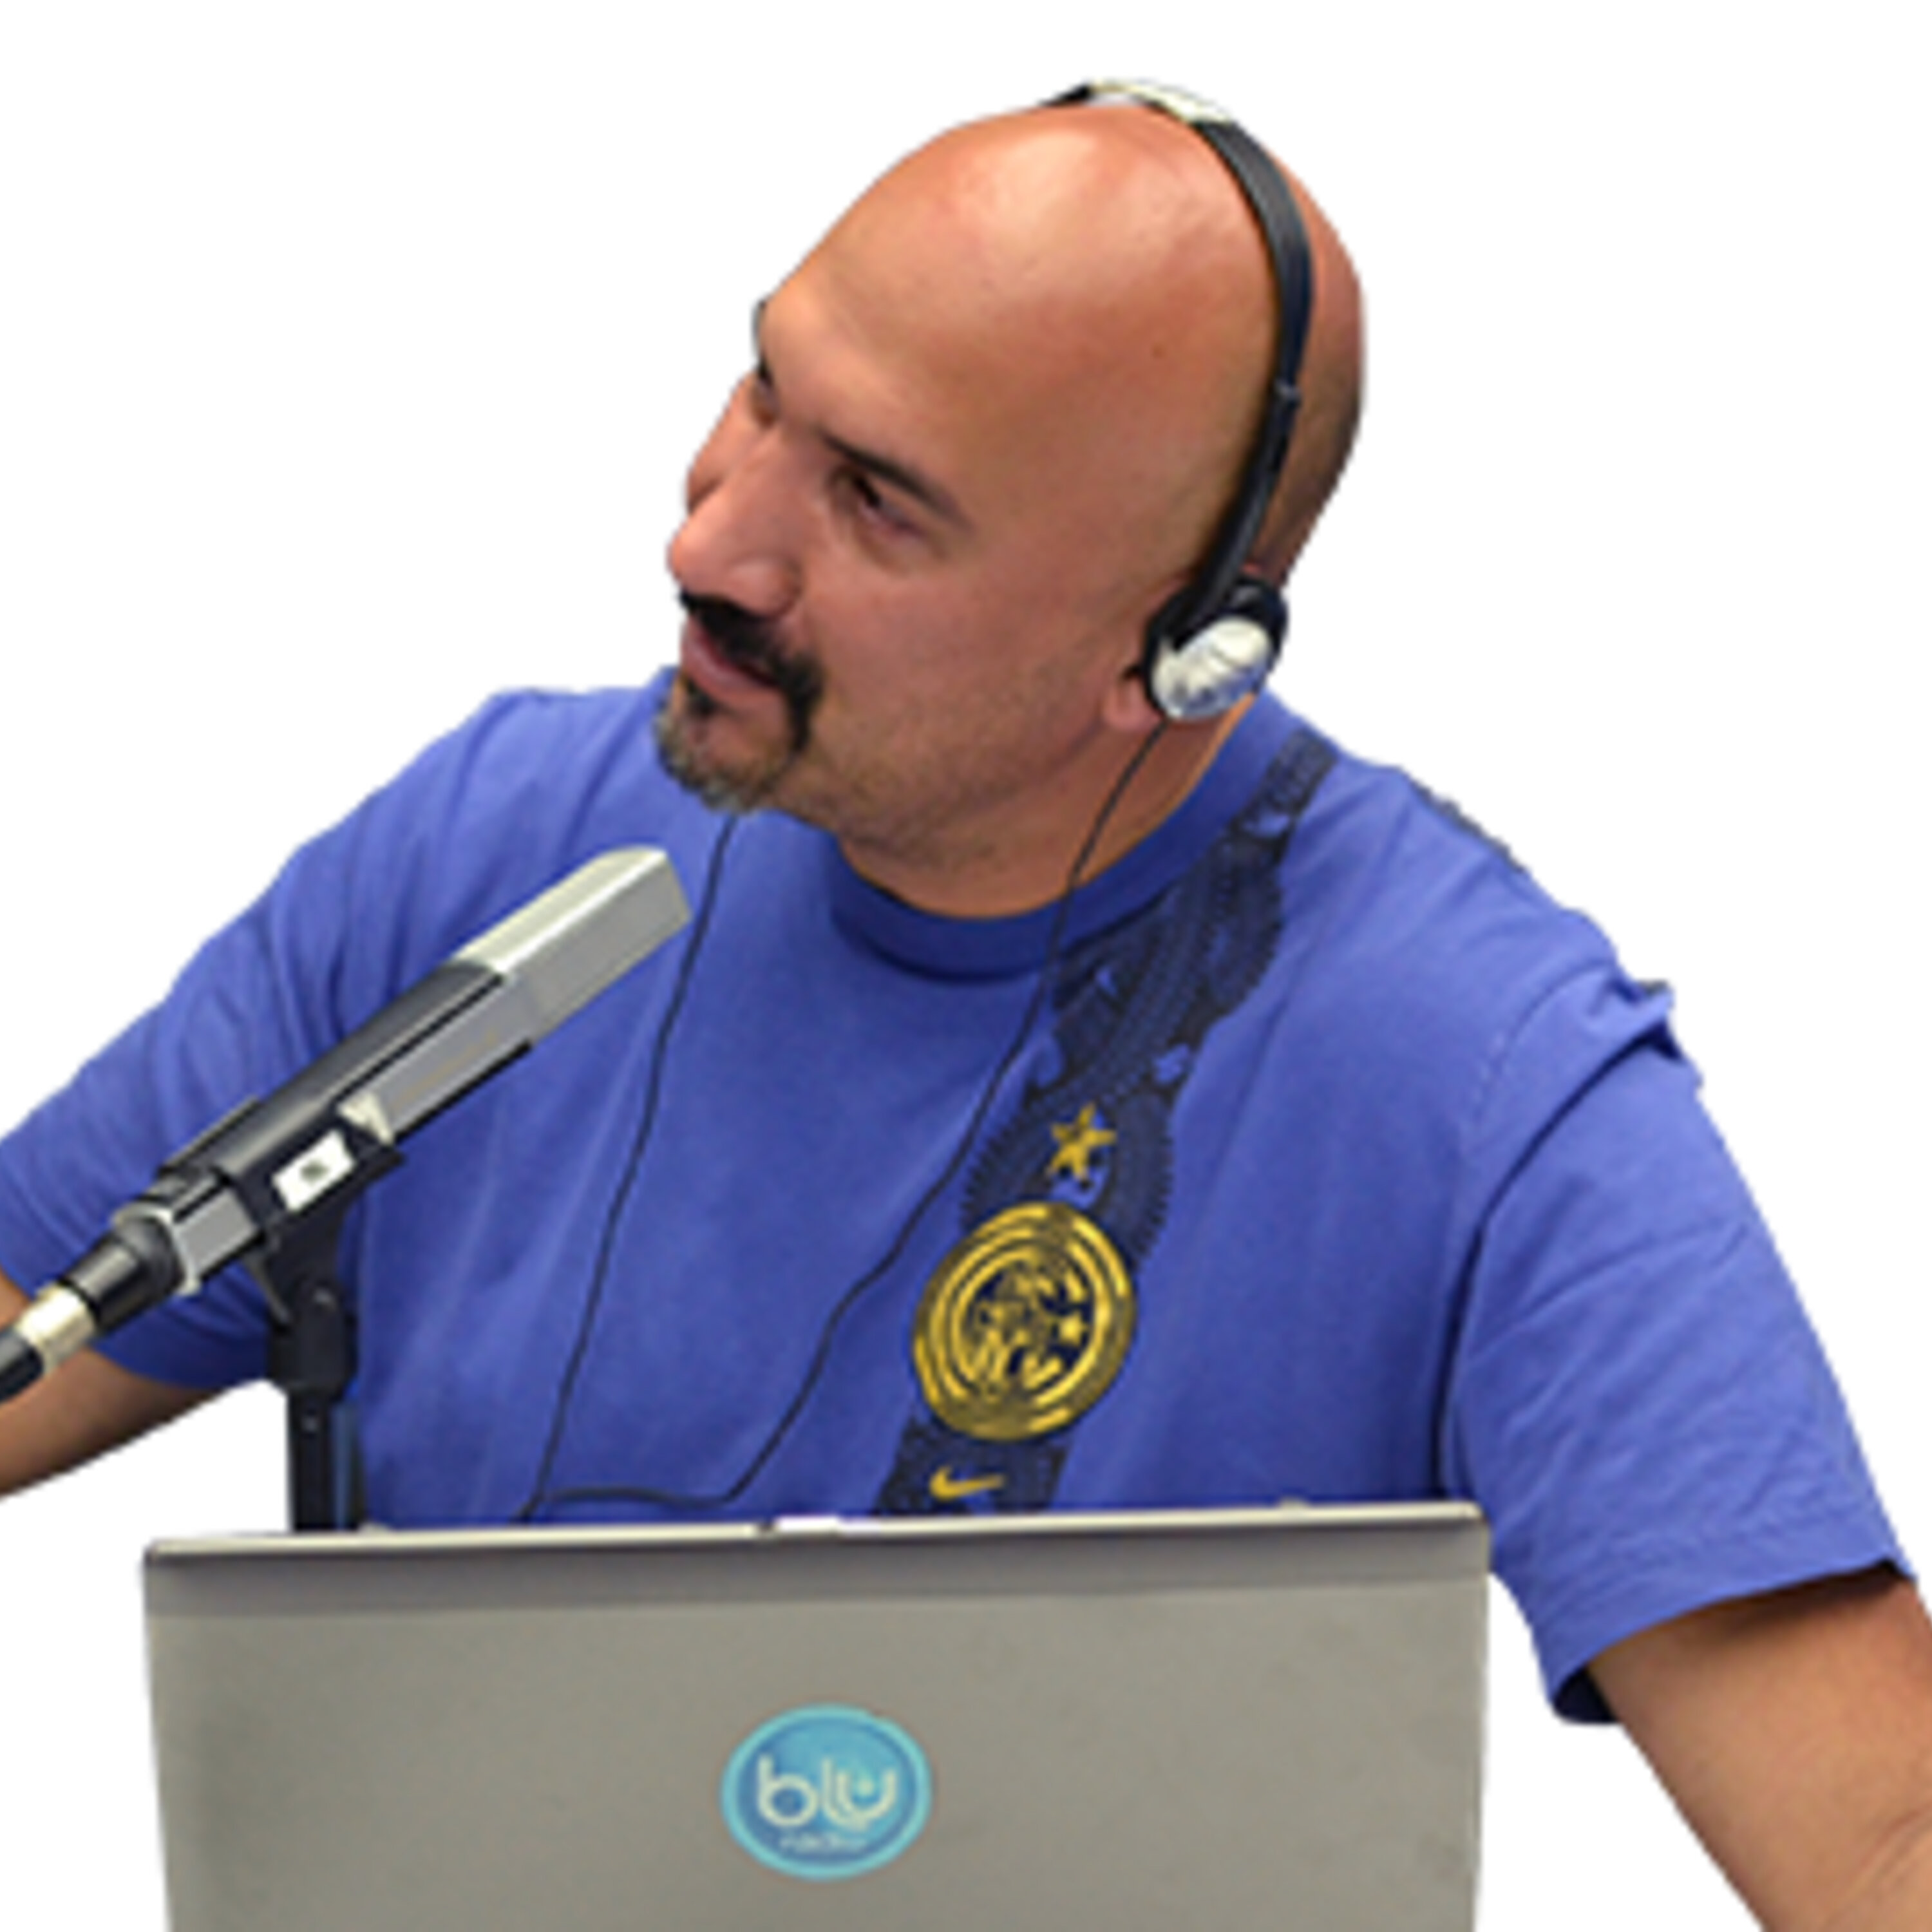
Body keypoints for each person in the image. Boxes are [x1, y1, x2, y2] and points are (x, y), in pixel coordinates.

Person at [3, 81, 1930, 1926]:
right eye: (764, 386)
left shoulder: (1484, 1080)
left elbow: (1875, 1846)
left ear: (1179, 653)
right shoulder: (488, 854)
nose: (708, 543)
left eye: (874, 502)